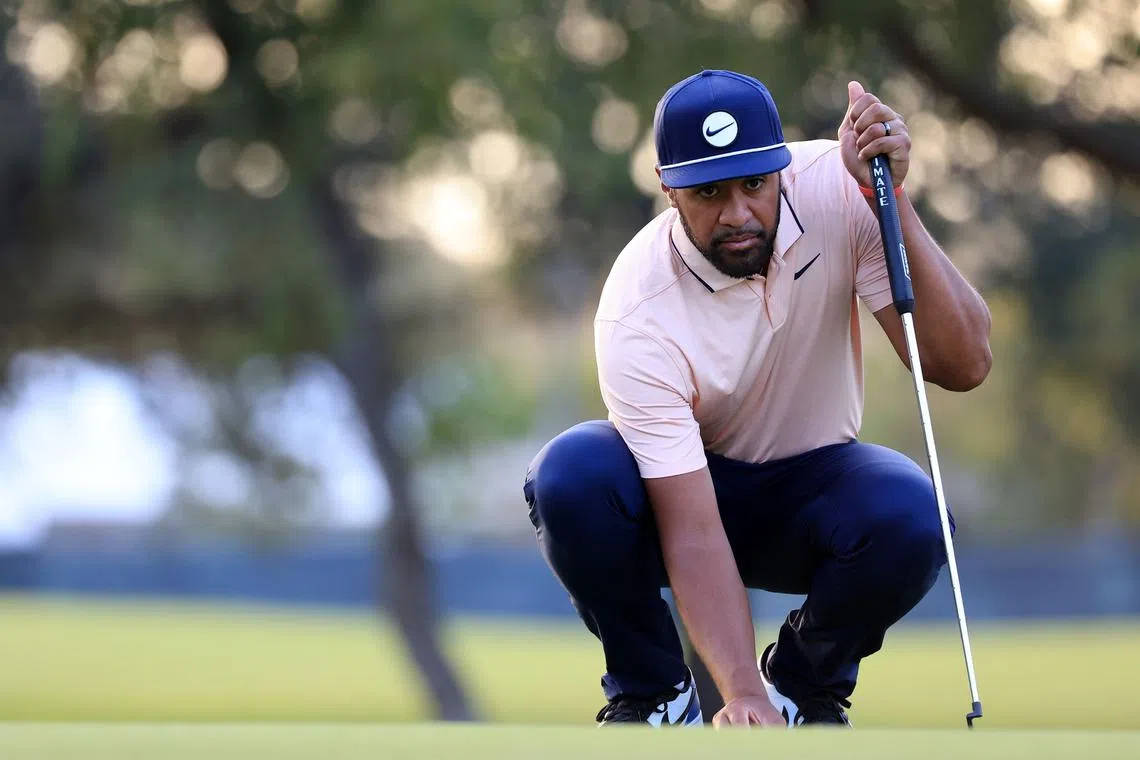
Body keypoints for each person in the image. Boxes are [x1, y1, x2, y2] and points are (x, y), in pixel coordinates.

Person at [522, 69, 992, 728]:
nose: (738, 213)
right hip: (680, 502)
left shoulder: (839, 188)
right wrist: (734, 690)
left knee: (912, 512)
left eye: (755, 184)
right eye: (708, 192)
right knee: (571, 474)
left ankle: (800, 690)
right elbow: (692, 530)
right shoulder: (638, 309)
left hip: (810, 496)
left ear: (782, 171)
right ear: (668, 189)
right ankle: (656, 692)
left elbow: (963, 363)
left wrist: (888, 196)